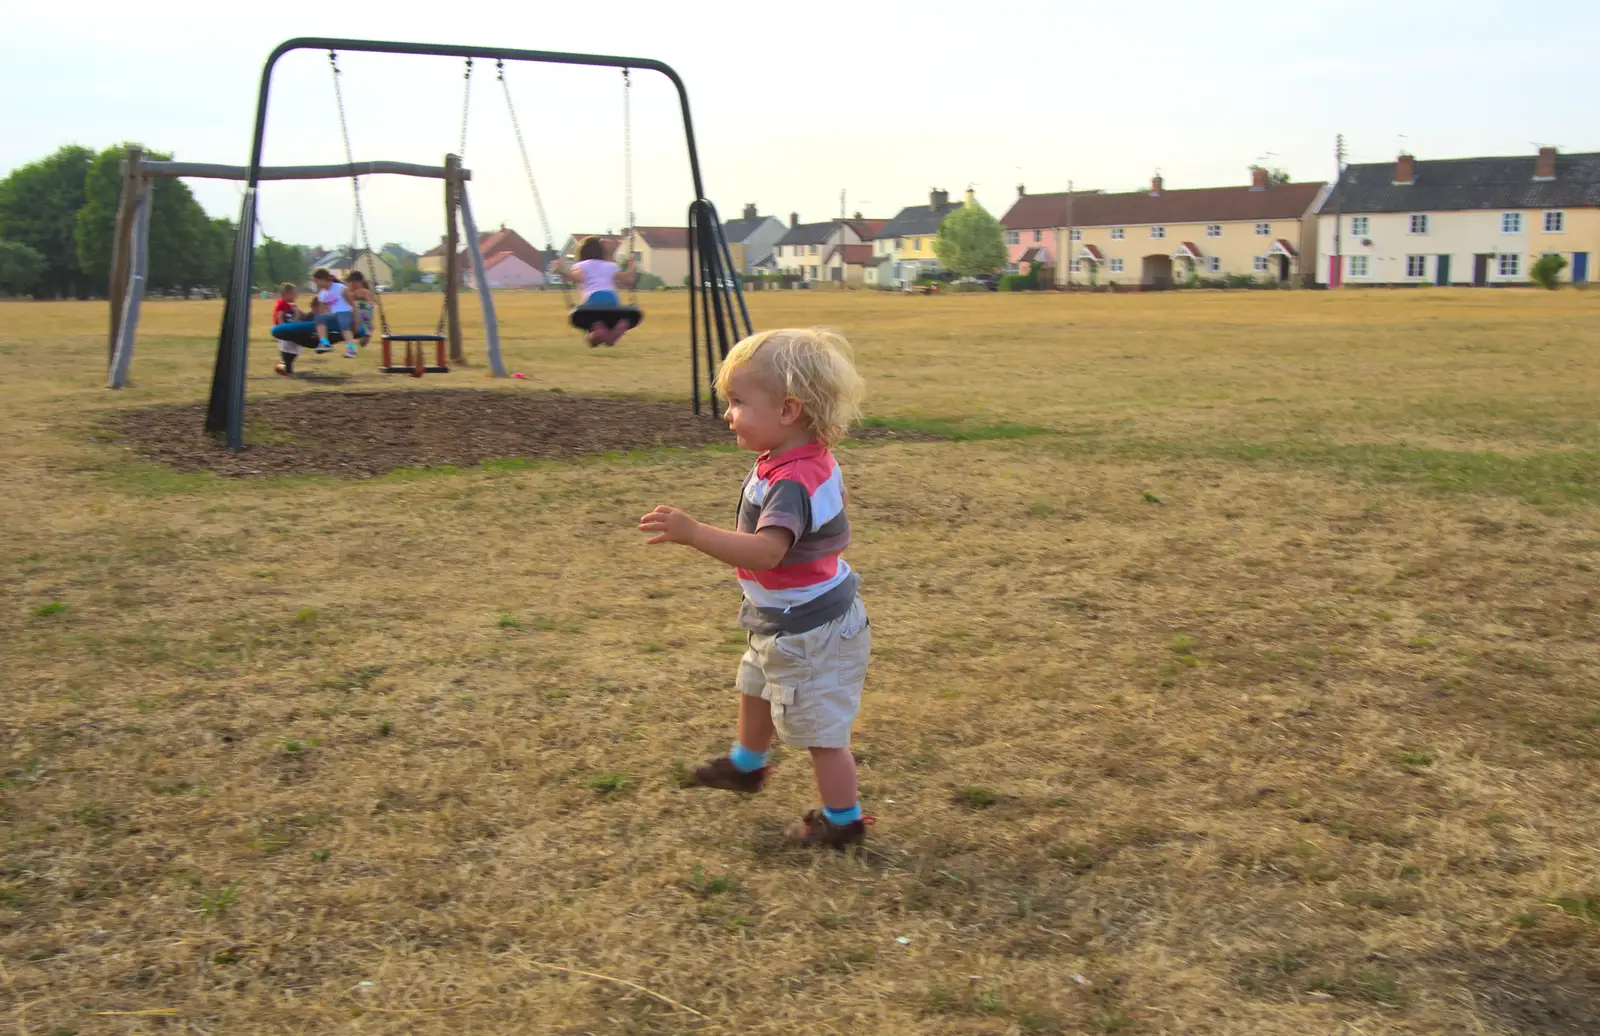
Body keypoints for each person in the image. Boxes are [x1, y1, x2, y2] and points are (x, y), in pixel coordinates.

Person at [637, 328, 871, 849]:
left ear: (788, 410)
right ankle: (747, 764)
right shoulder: (801, 457)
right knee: (756, 685)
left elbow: (768, 551)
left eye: (739, 402)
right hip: (788, 621)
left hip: (810, 632)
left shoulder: (792, 479)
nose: (728, 414)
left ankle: (844, 821)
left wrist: (694, 533)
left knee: (819, 733)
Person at [552, 237, 637, 348]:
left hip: (593, 301)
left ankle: (597, 330)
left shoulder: (581, 265)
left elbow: (578, 278)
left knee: (591, 333)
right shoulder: (610, 265)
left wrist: (561, 270)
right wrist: (632, 264)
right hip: (613, 301)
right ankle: (615, 330)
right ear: (601, 252)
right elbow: (629, 280)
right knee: (609, 321)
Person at [310, 268, 358, 357]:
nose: (317, 284)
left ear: (323, 279)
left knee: (343, 321)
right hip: (333, 315)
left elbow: (352, 304)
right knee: (319, 318)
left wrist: (356, 318)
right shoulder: (322, 293)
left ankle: (351, 348)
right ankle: (324, 343)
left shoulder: (340, 288)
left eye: (317, 281)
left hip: (345, 312)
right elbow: (322, 310)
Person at [270, 282, 307, 376]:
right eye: (294, 294)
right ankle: (288, 370)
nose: (296, 296)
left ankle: (282, 366)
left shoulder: (292, 305)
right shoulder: (282, 304)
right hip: (283, 330)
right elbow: (280, 316)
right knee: (287, 350)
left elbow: (299, 317)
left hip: (290, 330)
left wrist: (298, 313)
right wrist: (283, 328)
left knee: (296, 349)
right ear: (286, 294)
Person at [346, 270, 377, 347]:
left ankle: (366, 331)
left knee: (360, 310)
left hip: (363, 314)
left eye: (352, 283)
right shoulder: (355, 292)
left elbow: (371, 305)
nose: (351, 285)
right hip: (360, 316)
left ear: (357, 282)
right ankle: (366, 331)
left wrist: (358, 305)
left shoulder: (363, 292)